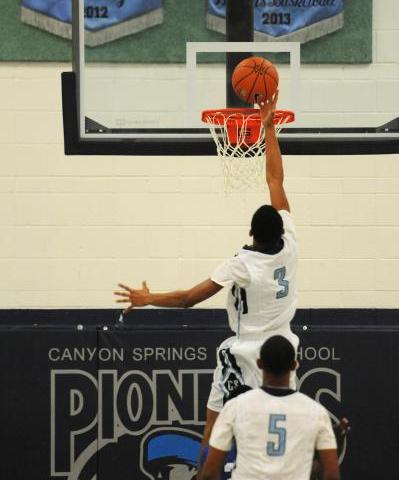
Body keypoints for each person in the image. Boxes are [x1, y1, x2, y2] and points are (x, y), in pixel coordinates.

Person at [114, 92, 299, 463]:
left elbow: (187, 299)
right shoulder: (291, 241)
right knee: (280, 428)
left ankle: (206, 472)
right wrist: (268, 129)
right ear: (280, 227)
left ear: (251, 233)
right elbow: (275, 177)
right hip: (284, 348)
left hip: (247, 350)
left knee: (214, 426)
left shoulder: (242, 263)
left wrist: (148, 299)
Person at [201, 336, 340, 480]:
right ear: (294, 365)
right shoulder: (315, 411)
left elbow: (210, 473)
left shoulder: (235, 407)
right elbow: (331, 475)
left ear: (259, 364)